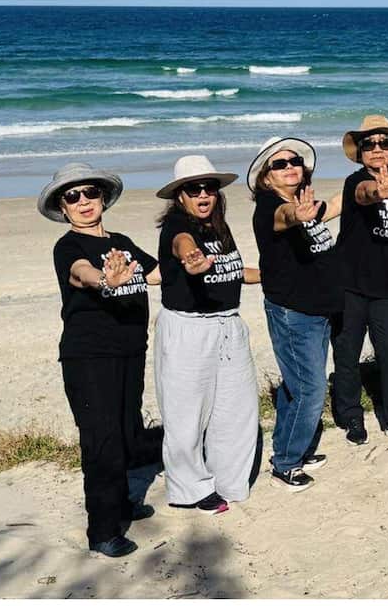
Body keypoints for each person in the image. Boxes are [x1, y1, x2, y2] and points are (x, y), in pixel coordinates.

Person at [41, 163, 161, 558]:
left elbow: (157, 272)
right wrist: (107, 279)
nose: (83, 202)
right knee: (102, 440)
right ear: (63, 207)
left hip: (130, 349)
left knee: (127, 432)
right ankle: (103, 531)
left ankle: (123, 504)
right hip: (88, 356)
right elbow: (82, 275)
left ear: (103, 197)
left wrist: (190, 262)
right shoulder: (68, 247)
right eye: (72, 196)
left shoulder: (123, 241)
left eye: (90, 193)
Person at [154, 155, 260, 514]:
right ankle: (190, 490)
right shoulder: (176, 228)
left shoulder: (219, 227)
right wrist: (191, 259)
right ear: (179, 196)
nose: (203, 194)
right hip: (188, 329)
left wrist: (275, 273)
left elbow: (232, 270)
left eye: (209, 188)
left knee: (237, 409)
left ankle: (229, 480)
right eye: (193, 188)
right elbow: (185, 247)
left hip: (228, 325)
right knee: (186, 414)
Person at [248, 137, 342, 493]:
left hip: (317, 309)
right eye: (280, 164)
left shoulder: (304, 204)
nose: (290, 167)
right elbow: (284, 218)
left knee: (299, 385)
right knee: (311, 388)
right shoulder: (272, 208)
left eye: (295, 161)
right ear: (266, 178)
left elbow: (332, 206)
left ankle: (291, 450)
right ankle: (286, 462)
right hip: (293, 312)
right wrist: (297, 214)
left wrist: (371, 177)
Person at [332, 115, 388, 444]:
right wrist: (377, 191)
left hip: (386, 288)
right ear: (361, 152)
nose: (377, 150)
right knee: (347, 354)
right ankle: (352, 416)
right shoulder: (356, 182)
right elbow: (365, 194)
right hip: (351, 286)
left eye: (385, 144)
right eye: (369, 144)